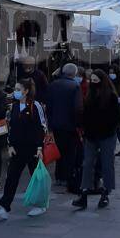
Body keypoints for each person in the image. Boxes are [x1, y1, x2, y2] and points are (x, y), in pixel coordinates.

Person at [0, 79, 47, 220]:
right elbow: (10, 127)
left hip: (33, 148)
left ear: (26, 91)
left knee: (36, 177)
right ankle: (4, 207)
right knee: (12, 177)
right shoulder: (14, 107)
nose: (14, 92)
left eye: (17, 89)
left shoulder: (35, 106)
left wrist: (40, 147)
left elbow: (42, 127)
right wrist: (10, 145)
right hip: (17, 149)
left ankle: (40, 205)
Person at [73, 68, 120, 210]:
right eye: (91, 80)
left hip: (106, 135)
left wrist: (107, 129)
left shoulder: (111, 96)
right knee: (87, 164)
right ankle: (84, 192)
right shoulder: (89, 95)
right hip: (91, 135)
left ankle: (106, 192)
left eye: (95, 81)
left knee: (107, 164)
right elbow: (85, 114)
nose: (93, 83)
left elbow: (115, 118)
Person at [46, 63, 83, 192]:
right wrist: (79, 125)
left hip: (55, 124)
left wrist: (49, 125)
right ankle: (67, 176)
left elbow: (48, 106)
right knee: (70, 152)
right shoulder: (75, 86)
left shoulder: (53, 85)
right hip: (70, 125)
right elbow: (77, 108)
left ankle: (59, 176)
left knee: (59, 150)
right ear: (74, 74)